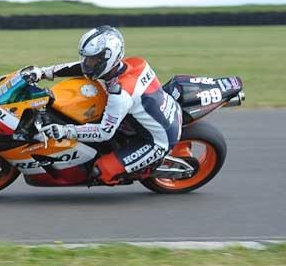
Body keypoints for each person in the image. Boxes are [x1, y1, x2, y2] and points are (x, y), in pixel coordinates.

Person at [21, 26, 182, 185]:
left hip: (155, 140)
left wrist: (64, 131)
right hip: (147, 114)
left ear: (108, 58)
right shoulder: (132, 63)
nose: (87, 64)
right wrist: (43, 72)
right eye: (86, 58)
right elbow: (80, 68)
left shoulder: (120, 94)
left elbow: (104, 133)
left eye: (93, 60)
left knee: (102, 171)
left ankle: (143, 170)